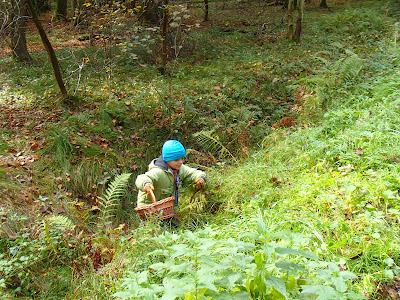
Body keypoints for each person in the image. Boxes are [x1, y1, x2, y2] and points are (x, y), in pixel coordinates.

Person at [135, 140, 206, 227]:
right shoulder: (158, 171)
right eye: (176, 160)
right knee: (155, 229)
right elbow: (142, 178)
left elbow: (193, 173)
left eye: (182, 158)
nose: (180, 162)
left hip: (167, 208)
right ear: (167, 159)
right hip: (150, 209)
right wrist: (146, 184)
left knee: (175, 227)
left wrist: (200, 178)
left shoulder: (179, 168)